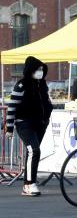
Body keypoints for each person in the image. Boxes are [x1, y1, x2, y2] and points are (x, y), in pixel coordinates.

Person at [5, 56, 53, 196]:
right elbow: (12, 106)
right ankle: (30, 184)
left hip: (40, 123)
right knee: (34, 150)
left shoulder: (42, 84)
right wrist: (9, 128)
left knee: (32, 152)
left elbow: (47, 101)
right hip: (24, 123)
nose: (40, 72)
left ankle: (28, 183)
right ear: (30, 70)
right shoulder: (21, 85)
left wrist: (47, 115)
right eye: (38, 69)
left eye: (41, 69)